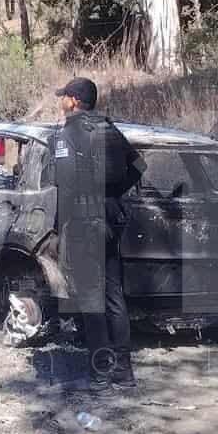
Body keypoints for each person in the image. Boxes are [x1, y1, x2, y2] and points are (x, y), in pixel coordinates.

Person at [53, 77, 143, 393]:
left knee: (91, 301)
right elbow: (138, 167)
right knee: (114, 297)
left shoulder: (66, 135)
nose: (61, 100)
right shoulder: (108, 128)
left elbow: (64, 183)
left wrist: (59, 226)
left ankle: (100, 372)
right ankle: (124, 372)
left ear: (75, 101)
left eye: (64, 96)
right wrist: (112, 193)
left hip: (83, 224)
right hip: (112, 219)